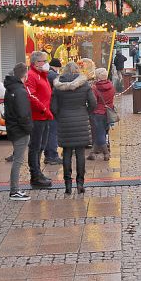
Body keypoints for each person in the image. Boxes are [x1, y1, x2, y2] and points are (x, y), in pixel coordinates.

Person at [52, 62, 96, 194]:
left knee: (66, 152)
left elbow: (53, 107)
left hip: (65, 120)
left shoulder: (58, 86)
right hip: (81, 119)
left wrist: (60, 116)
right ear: (77, 70)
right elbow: (93, 103)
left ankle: (67, 185)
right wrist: (85, 112)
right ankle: (80, 183)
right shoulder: (84, 84)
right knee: (80, 153)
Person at [3, 63, 34, 200]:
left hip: (13, 127)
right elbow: (23, 113)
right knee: (18, 160)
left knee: (18, 159)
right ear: (24, 74)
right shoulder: (20, 91)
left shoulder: (10, 88)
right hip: (20, 130)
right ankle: (14, 190)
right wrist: (28, 128)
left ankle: (15, 189)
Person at [25, 51, 54, 189]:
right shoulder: (31, 75)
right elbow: (31, 96)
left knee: (41, 145)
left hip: (45, 116)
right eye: (44, 60)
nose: (46, 63)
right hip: (38, 116)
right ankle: (35, 175)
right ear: (36, 63)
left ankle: (38, 173)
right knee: (35, 146)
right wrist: (43, 109)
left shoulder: (42, 75)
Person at [90, 68, 115, 161]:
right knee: (103, 132)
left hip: (98, 113)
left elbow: (93, 102)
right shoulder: (111, 85)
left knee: (100, 133)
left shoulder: (95, 88)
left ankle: (106, 153)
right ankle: (92, 153)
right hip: (109, 112)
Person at [43, 58, 63, 166]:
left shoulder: (46, 74)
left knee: (48, 132)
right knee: (53, 133)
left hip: (47, 107)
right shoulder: (53, 75)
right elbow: (60, 89)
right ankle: (52, 156)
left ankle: (48, 155)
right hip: (52, 108)